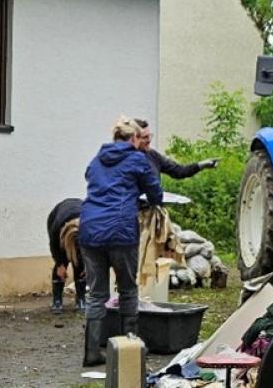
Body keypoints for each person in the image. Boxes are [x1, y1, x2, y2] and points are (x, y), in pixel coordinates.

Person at [79, 116, 163, 366]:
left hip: (89, 230)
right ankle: (130, 345)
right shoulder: (137, 159)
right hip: (120, 230)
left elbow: (92, 180)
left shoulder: (96, 160)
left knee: (96, 294)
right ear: (135, 138)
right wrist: (147, 199)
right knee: (127, 289)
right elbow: (155, 192)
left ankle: (92, 352)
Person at [132, 118, 218, 178]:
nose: (149, 140)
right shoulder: (124, 157)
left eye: (149, 136)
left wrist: (201, 165)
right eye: (145, 137)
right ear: (135, 138)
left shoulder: (153, 156)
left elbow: (179, 171)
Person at [46, 198, 85, 314]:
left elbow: (92, 249)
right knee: (61, 262)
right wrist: (59, 264)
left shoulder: (90, 225)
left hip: (81, 225)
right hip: (58, 217)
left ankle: (81, 299)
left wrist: (88, 265)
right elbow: (54, 247)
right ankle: (57, 300)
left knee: (80, 264)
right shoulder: (56, 228)